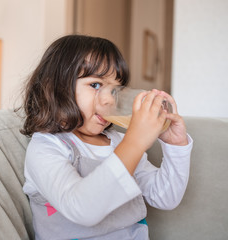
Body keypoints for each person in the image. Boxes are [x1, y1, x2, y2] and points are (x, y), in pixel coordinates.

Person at [19, 35, 193, 240]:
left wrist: (176, 146)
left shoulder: (118, 141)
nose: (109, 98)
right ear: (55, 87)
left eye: (115, 89)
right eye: (95, 85)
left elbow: (165, 197)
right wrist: (135, 142)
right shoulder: (46, 147)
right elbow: (81, 208)